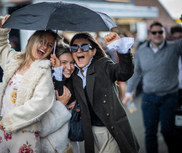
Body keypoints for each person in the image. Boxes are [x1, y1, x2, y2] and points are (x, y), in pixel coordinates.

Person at [0, 15, 71, 153]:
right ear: (30, 41)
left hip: (24, 134)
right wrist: (1, 28)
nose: (44, 46)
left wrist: (9, 120)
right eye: (41, 41)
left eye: (50, 45)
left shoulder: (44, 70)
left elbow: (40, 103)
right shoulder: (14, 60)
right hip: (2, 131)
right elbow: (0, 46)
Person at [69, 32, 139, 153]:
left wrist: (120, 47)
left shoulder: (103, 65)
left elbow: (124, 72)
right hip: (90, 133)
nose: (78, 51)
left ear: (94, 51)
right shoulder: (73, 74)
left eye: (84, 47)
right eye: (74, 48)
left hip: (111, 129)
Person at [123, 21, 182, 153]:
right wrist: (128, 92)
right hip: (149, 98)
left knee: (168, 131)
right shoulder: (142, 51)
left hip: (169, 97)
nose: (157, 35)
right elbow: (136, 72)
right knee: (150, 132)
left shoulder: (174, 47)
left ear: (164, 33)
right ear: (149, 34)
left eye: (160, 32)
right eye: (154, 32)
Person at [50, 40, 80, 153]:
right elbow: (59, 91)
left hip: (71, 134)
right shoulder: (48, 79)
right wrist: (57, 69)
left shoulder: (75, 78)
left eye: (72, 62)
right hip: (54, 135)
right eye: (64, 62)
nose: (69, 67)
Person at [170, 25, 182, 106]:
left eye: (180, 38)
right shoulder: (168, 53)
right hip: (172, 91)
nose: (177, 41)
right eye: (175, 38)